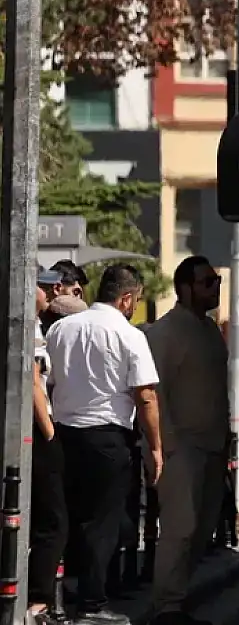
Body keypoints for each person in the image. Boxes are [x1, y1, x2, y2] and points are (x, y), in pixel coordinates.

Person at [47, 264, 161, 625]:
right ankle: (92, 605)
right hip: (108, 439)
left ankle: (58, 596)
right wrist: (156, 447)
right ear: (126, 297)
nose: (134, 308)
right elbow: (145, 396)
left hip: (62, 434)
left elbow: (47, 380)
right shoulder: (129, 336)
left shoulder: (61, 328)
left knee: (66, 519)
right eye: (136, 301)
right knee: (102, 523)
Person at [145, 257, 230, 625]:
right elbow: (151, 393)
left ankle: (177, 600)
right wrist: (164, 446)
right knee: (179, 528)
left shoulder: (210, 330)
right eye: (207, 282)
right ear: (185, 288)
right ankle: (167, 608)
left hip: (212, 446)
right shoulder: (164, 333)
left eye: (217, 281)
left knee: (202, 529)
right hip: (180, 448)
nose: (215, 288)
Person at [30, 267, 70, 624]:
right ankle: (38, 603)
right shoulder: (26, 325)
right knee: (53, 520)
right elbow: (32, 385)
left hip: (40, 429)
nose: (55, 292)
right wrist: (50, 432)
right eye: (48, 286)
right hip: (39, 432)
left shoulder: (41, 326)